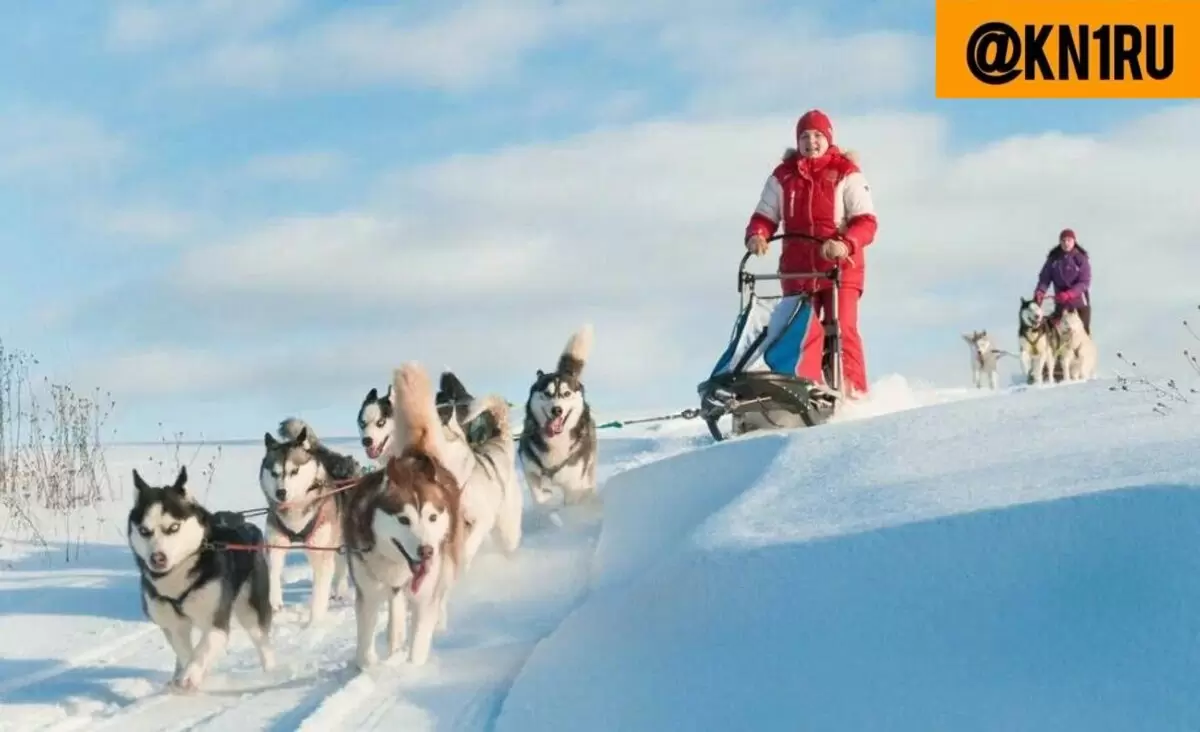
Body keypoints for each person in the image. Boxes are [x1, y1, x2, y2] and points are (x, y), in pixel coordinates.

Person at [743, 109, 878, 398]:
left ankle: (853, 393)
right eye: (805, 136)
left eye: (818, 136)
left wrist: (845, 243)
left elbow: (866, 221)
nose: (811, 142)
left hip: (840, 267)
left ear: (828, 139)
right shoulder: (783, 176)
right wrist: (758, 234)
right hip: (798, 269)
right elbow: (765, 215)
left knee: (842, 328)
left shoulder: (846, 172)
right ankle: (804, 388)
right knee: (799, 330)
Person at [1033, 228, 1091, 335]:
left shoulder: (1081, 259)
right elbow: (1044, 278)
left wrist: (1070, 294)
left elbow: (1084, 282)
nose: (1066, 243)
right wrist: (1040, 291)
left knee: (1082, 334)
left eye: (1069, 240)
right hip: (1061, 303)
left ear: (1074, 241)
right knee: (1055, 332)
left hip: (1079, 304)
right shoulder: (1053, 260)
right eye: (1063, 240)